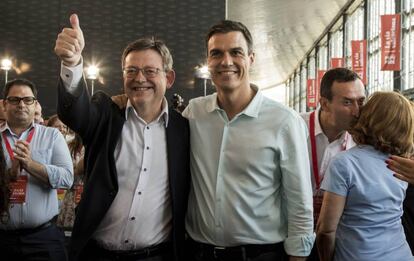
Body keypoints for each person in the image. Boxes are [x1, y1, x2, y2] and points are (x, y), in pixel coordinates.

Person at [54, 14, 190, 261]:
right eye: (132, 71)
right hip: (96, 254)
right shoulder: (106, 114)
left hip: (158, 255)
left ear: (168, 79)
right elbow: (75, 112)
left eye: (150, 71)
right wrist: (73, 63)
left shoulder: (184, 130)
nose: (140, 79)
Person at [183, 20, 314, 261]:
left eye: (236, 52)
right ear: (208, 61)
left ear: (251, 58)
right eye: (216, 54)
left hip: (260, 255)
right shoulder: (194, 113)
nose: (226, 62)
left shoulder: (284, 122)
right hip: (199, 252)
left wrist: (298, 256)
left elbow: (300, 202)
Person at [316, 91, 413, 261]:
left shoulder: (344, 163)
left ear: (368, 117)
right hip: (401, 254)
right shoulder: (405, 165)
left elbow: (326, 229)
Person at [0, 78, 74, 261]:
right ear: (4, 104)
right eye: (14, 99)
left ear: (35, 104)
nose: (21, 105)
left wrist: (31, 165)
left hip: (44, 238)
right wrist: (9, 175)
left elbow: (67, 178)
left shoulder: (52, 136)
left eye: (27, 100)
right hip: (2, 240)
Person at [301, 68, 366, 260]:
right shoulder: (295, 128)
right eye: (347, 102)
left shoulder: (362, 140)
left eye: (361, 101)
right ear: (324, 103)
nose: (357, 111)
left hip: (337, 235)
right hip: (294, 231)